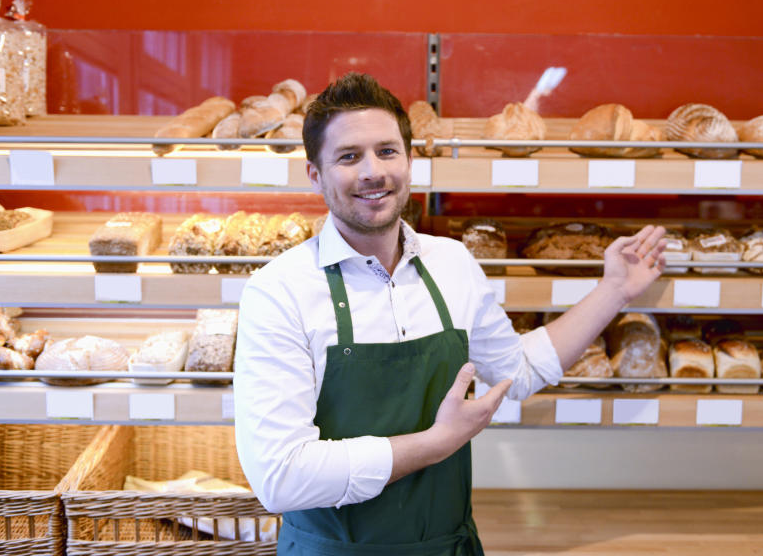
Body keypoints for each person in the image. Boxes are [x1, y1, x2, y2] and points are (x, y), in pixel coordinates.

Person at [234, 72, 666, 555]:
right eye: (348, 156)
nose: (372, 171)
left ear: (411, 161)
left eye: (387, 151)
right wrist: (437, 444)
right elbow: (280, 479)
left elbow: (517, 370)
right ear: (315, 174)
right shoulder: (280, 290)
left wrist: (614, 292)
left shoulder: (453, 263)